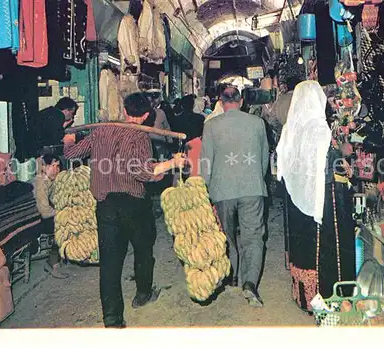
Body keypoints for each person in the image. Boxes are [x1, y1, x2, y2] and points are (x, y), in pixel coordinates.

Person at [64, 93, 186, 328]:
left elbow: (70, 154)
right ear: (146, 115)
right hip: (133, 204)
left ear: (125, 110)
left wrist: (69, 138)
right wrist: (172, 163)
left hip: (106, 206)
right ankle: (143, 294)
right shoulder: (139, 135)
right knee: (143, 248)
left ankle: (112, 320)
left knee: (109, 264)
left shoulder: (100, 131)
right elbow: (142, 172)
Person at [276, 81, 355, 312]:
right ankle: (330, 296)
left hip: (295, 199)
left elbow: (283, 163)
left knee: (303, 245)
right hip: (322, 200)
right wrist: (344, 153)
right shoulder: (319, 130)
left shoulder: (290, 129)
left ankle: (304, 295)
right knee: (327, 246)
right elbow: (329, 166)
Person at [200, 87, 269, 307]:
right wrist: (258, 178)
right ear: (240, 101)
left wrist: (206, 188)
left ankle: (231, 276)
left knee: (226, 236)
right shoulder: (257, 123)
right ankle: (250, 283)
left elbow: (206, 161)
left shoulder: (210, 125)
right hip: (252, 187)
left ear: (220, 101)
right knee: (253, 236)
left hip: (222, 189)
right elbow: (264, 157)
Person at [32, 154, 69, 279]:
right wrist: (61, 212)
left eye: (58, 166)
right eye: (52, 166)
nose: (56, 169)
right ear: (43, 167)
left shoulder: (51, 181)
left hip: (43, 216)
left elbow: (54, 198)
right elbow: (45, 211)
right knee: (62, 224)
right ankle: (52, 263)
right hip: (35, 220)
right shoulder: (40, 182)